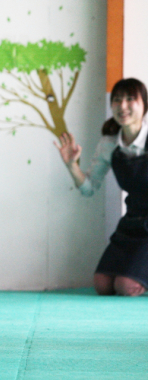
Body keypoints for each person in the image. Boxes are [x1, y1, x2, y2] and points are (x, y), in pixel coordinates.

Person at [55, 77, 148, 296]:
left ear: (144, 105)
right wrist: (71, 165)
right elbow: (88, 188)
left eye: (130, 99)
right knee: (102, 284)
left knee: (125, 286)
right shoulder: (109, 144)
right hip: (131, 224)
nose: (122, 106)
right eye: (117, 100)